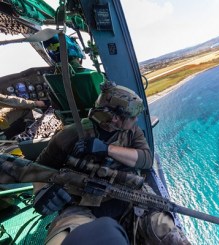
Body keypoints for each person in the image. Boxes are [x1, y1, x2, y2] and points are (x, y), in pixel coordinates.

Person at [33, 81, 191, 245]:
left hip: (130, 197)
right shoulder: (71, 135)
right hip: (82, 204)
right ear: (115, 118)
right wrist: (41, 193)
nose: (136, 119)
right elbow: (39, 168)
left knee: (166, 231)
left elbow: (146, 160)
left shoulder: (131, 131)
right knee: (69, 237)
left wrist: (107, 149)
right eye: (131, 116)